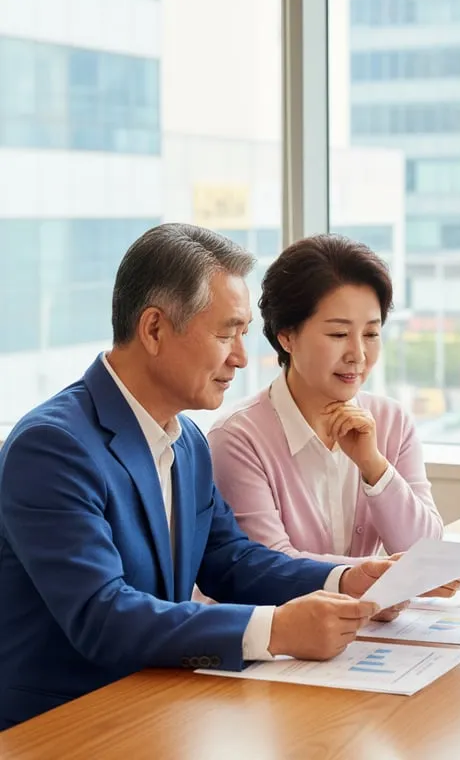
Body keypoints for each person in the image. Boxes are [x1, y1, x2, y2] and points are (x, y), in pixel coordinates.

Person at [0, 224, 418, 731]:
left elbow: (229, 561)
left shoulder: (186, 441)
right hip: (65, 726)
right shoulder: (53, 447)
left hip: (160, 708)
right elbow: (102, 614)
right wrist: (276, 629)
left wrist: (346, 580)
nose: (241, 357)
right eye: (226, 333)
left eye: (244, 334)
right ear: (154, 329)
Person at [207, 234, 443, 565]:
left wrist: (373, 465)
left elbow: (427, 552)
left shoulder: (392, 421)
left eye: (371, 334)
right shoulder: (237, 438)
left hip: (370, 617)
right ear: (287, 336)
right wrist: (382, 575)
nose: (358, 355)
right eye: (338, 334)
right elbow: (269, 567)